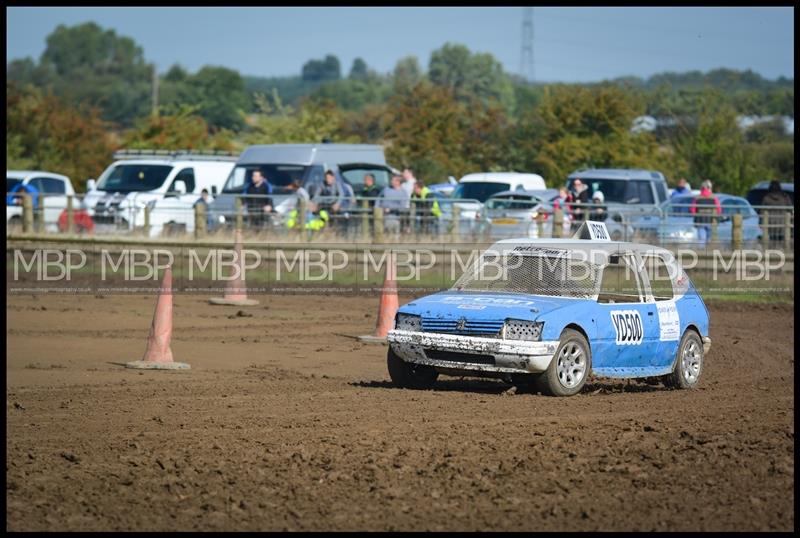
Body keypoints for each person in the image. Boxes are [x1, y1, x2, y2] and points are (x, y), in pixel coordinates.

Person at [690, 180, 722, 247]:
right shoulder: (714, 198)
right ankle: (707, 252)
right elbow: (719, 209)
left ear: (702, 188)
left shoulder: (697, 198)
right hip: (711, 220)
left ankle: (701, 252)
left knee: (701, 239)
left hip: (700, 220)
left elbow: (692, 209)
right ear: (710, 188)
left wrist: (695, 215)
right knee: (709, 238)